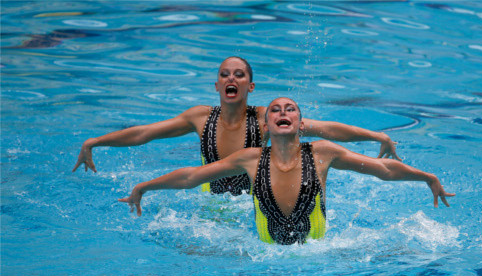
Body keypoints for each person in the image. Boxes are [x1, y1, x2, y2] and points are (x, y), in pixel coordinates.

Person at [119, 97, 454, 245]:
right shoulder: (249, 158)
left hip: (320, 259)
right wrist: (145, 186)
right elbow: (193, 176)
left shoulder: (322, 152)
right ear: (266, 124)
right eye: (276, 110)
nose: (282, 112)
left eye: (290, 109)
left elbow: (382, 169)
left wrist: (428, 177)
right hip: (262, 260)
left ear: (301, 123)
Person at [73, 56, 400, 195]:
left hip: (252, 201)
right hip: (210, 201)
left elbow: (323, 129)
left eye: (239, 75)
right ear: (216, 85)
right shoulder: (199, 118)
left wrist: (376, 136)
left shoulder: (266, 118)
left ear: (249, 87)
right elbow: (145, 133)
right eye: (225, 74)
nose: (231, 78)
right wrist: (95, 141)